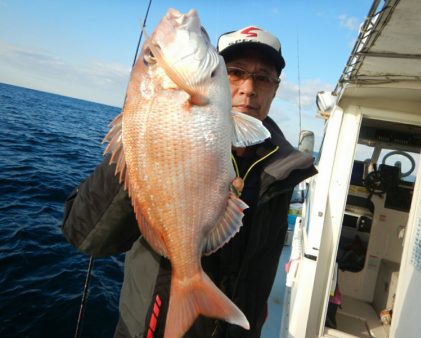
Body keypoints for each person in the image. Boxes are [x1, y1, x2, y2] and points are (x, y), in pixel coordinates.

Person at [62, 25, 317, 338]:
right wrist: (143, 141)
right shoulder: (162, 135)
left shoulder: (285, 168)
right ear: (214, 78)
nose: (249, 88)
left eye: (262, 78)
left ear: (275, 90)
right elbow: (83, 235)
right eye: (235, 72)